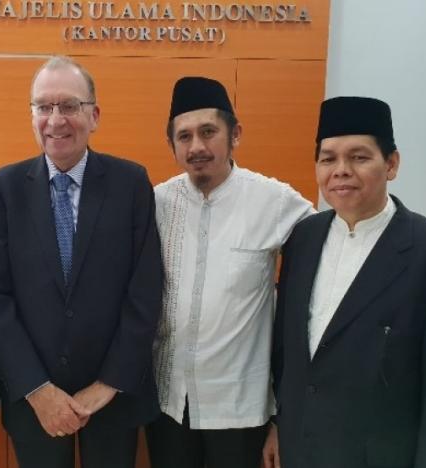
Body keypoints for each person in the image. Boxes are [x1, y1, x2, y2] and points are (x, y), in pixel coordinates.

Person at [272, 96, 426, 468]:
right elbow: (290, 356)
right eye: (328, 159)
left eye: (359, 157)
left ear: (392, 164)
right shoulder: (302, 239)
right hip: (301, 452)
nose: (341, 171)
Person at [0, 56, 163, 468]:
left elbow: (145, 290)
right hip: (33, 399)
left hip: (112, 398)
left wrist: (108, 384)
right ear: (32, 116)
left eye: (69, 106)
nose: (55, 120)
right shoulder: (5, 188)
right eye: (43, 107)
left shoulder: (130, 183)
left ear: (94, 116)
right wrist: (37, 389)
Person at [146, 77, 314, 467]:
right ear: (171, 144)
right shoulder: (156, 203)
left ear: (234, 133)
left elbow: (344, 237)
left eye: (208, 132)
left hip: (239, 408)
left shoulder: (273, 200)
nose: (197, 147)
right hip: (169, 404)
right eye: (184, 136)